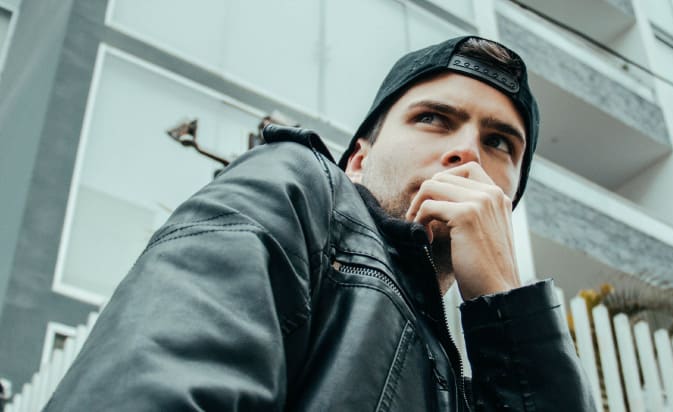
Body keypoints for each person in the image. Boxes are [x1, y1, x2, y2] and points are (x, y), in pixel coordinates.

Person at [44, 36, 595, 411]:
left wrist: (504, 303)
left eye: (499, 142)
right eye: (433, 119)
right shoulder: (297, 184)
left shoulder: (463, 374)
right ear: (357, 159)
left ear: (508, 201)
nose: (465, 151)